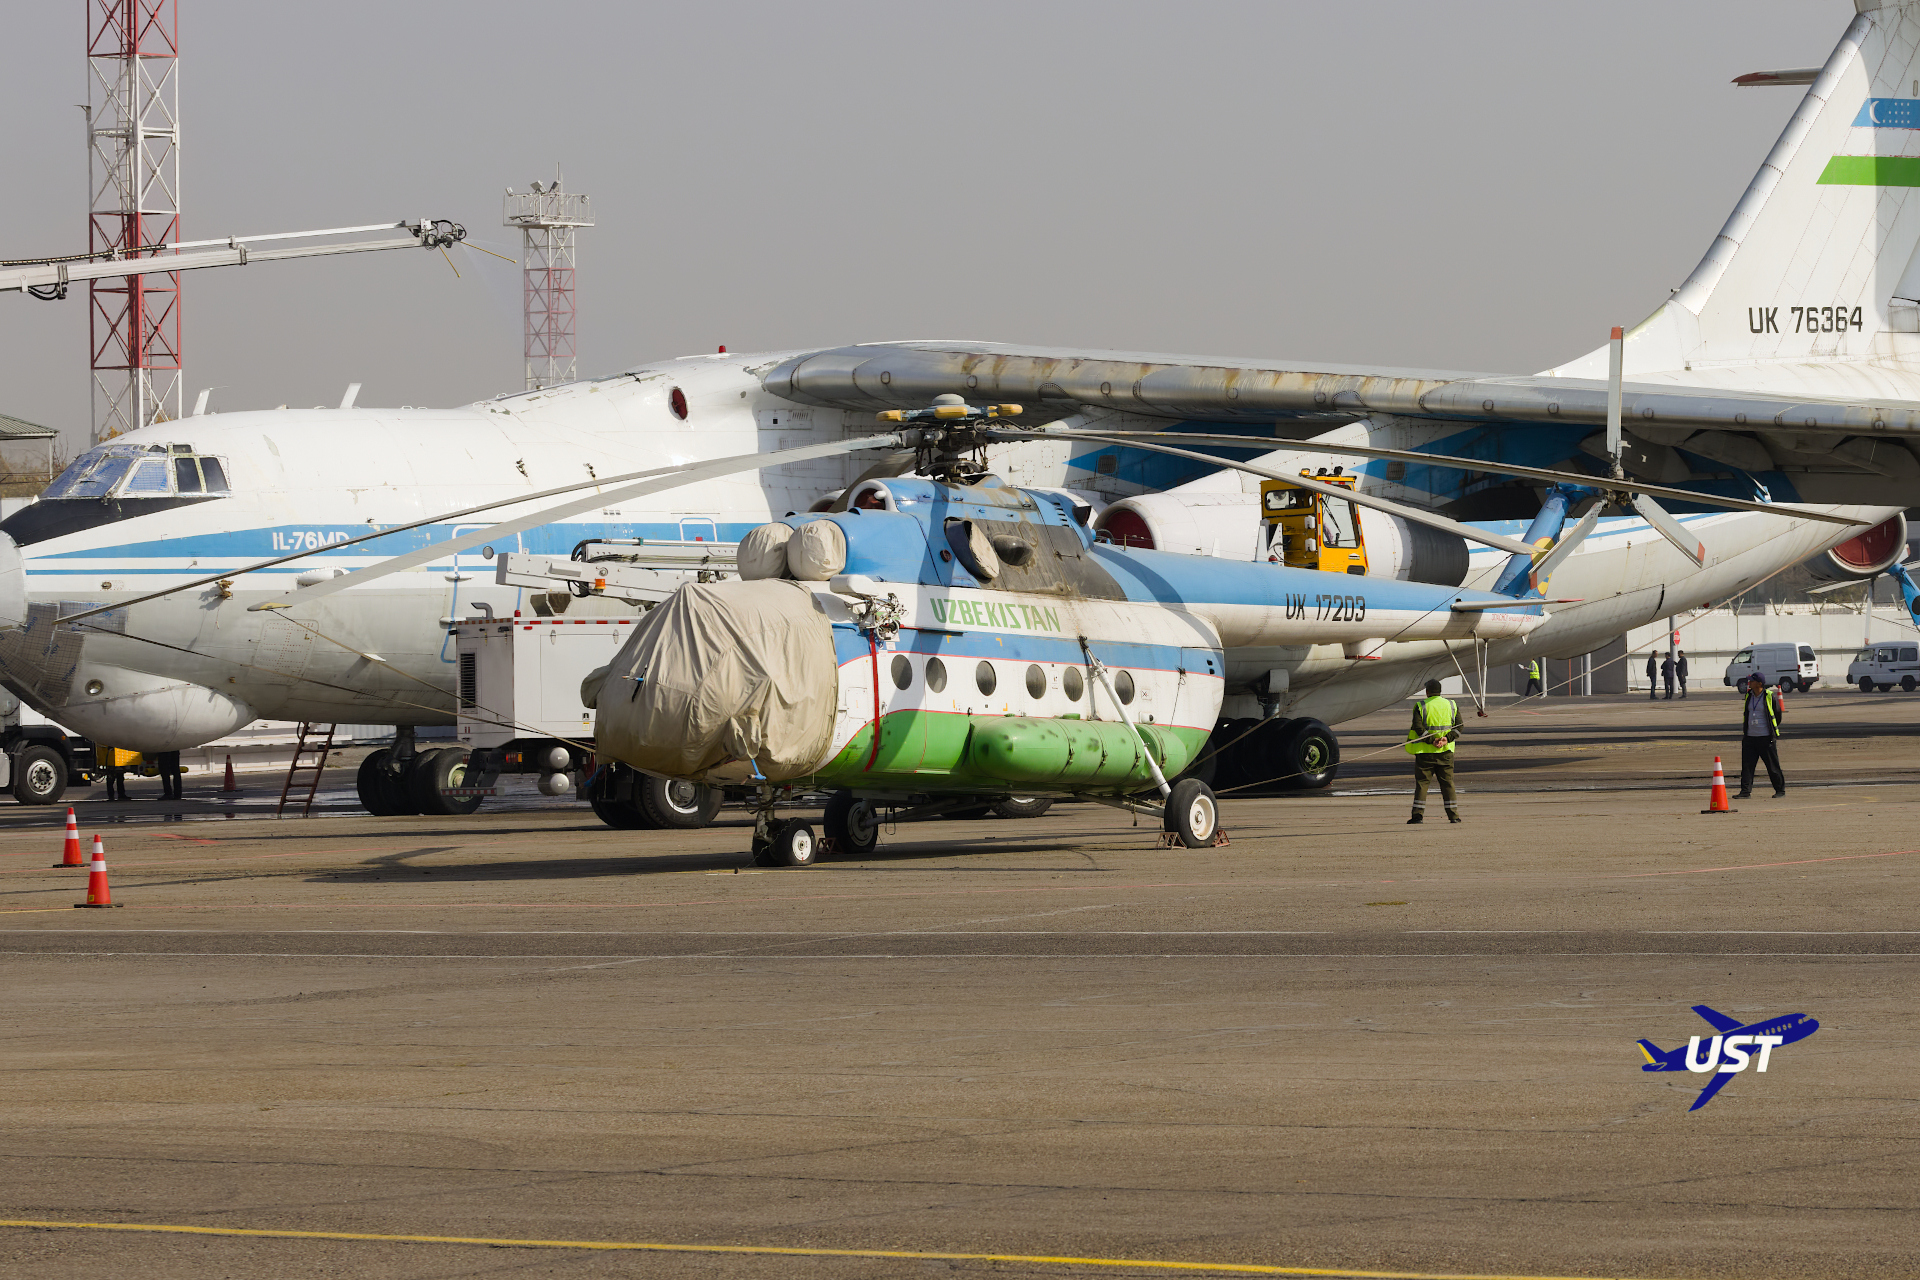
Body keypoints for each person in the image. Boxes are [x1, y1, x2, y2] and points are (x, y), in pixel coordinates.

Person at [1404, 678, 1461, 824]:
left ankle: (1417, 816)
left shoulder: (1421, 705)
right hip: (1446, 752)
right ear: (1440, 691)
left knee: (1422, 784)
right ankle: (1453, 816)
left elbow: (1418, 727)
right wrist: (1446, 739)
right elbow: (1459, 727)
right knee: (1448, 784)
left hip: (1425, 752)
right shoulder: (1451, 704)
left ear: (1427, 691)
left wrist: (1432, 740)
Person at [1736, 672, 1786, 799]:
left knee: (1772, 766)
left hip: (1766, 737)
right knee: (1747, 767)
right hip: (1750, 737)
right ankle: (1745, 792)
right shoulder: (1749, 695)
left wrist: (1771, 730)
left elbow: (1777, 715)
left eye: (1752, 681)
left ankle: (1780, 790)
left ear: (1759, 683)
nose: (1749, 683)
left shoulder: (1769, 696)